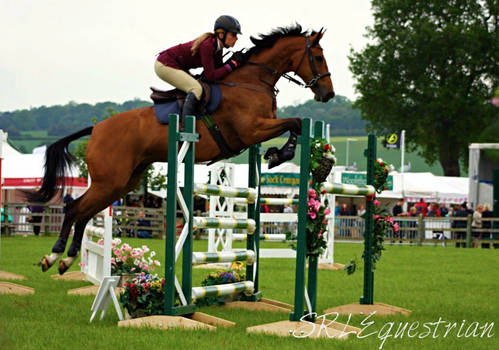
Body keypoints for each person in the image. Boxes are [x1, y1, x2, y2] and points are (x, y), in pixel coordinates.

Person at [154, 15, 243, 118]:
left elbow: (218, 70)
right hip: (164, 64)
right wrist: (232, 64)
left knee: (198, 85)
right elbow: (211, 76)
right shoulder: (208, 45)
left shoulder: (217, 48)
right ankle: (186, 128)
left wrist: (234, 62)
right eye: (234, 34)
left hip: (175, 65)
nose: (236, 38)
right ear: (221, 34)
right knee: (196, 88)